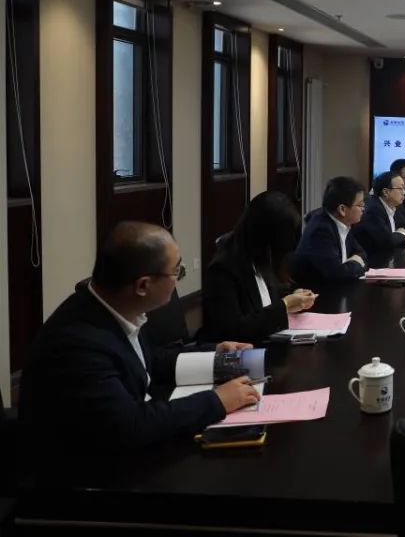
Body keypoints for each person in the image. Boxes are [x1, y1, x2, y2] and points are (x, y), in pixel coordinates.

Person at [19, 222, 261, 452]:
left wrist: (215, 355)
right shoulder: (78, 345)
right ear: (143, 286)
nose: (179, 278)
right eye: (177, 271)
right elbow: (131, 427)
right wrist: (216, 401)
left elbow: (147, 362)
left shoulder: (116, 307)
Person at [200, 191, 318, 343]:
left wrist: (293, 296)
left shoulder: (258, 258)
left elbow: (264, 298)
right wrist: (285, 305)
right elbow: (234, 330)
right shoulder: (223, 270)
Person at [293, 176, 369, 287]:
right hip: (318, 293)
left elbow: (361, 254)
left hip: (339, 289)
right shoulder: (321, 231)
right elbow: (337, 274)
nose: (363, 209)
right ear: (342, 209)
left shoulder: (343, 223)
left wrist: (351, 264)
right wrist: (356, 264)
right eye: (360, 204)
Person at [353, 170, 405, 256]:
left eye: (404, 188)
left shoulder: (394, 206)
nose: (403, 192)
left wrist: (398, 235)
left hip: (390, 256)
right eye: (400, 189)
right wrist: (402, 233)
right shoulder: (373, 210)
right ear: (386, 192)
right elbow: (388, 242)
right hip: (373, 260)